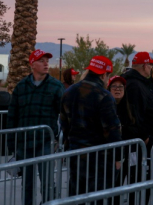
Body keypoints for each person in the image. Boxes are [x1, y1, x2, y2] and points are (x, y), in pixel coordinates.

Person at [61, 56, 122, 201]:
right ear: (103, 75)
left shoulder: (69, 92)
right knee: (100, 197)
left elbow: (64, 124)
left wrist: (68, 146)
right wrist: (118, 158)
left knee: (76, 197)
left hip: (76, 153)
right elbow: (112, 129)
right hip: (100, 157)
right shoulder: (104, 96)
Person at [7, 49, 63, 205]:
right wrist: (11, 144)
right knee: (27, 184)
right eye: (41, 61)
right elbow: (12, 116)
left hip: (46, 141)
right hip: (24, 143)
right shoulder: (21, 87)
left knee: (47, 182)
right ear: (32, 64)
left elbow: (64, 114)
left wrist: (60, 138)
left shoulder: (56, 86)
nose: (46, 64)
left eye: (47, 60)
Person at [121, 52, 153, 202]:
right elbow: (134, 115)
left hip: (143, 144)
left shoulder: (138, 83)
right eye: (151, 65)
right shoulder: (135, 85)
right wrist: (145, 137)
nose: (151, 68)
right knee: (139, 184)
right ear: (145, 66)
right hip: (139, 146)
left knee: (142, 184)